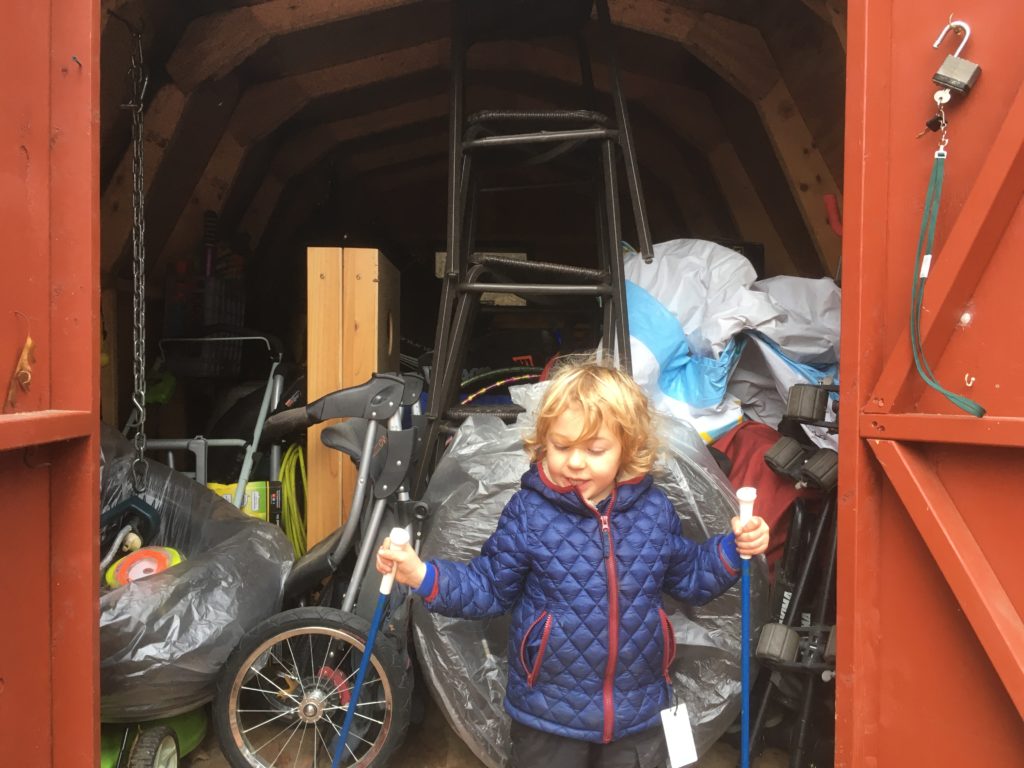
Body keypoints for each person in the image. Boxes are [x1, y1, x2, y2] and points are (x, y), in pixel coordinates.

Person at [377, 358, 770, 768]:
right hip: (548, 716)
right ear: (543, 442)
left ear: (627, 448)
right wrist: (420, 574)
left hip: (638, 714)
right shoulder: (529, 512)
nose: (576, 461)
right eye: (561, 447)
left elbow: (689, 578)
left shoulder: (653, 510)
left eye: (595, 449)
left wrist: (732, 549)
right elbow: (488, 588)